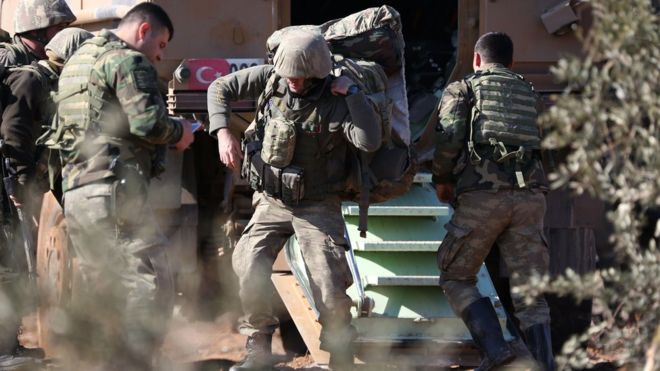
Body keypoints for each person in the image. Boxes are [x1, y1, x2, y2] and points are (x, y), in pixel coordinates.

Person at [208, 28, 381, 370]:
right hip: (272, 201)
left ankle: (340, 354)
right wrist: (223, 132)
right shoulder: (273, 79)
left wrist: (354, 95)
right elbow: (219, 88)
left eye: (301, 78)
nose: (294, 83)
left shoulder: (337, 99)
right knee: (247, 263)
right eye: (289, 75)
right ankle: (258, 347)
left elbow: (369, 140)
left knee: (329, 282)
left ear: (317, 72)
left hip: (317, 205)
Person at [43, 3, 194, 369]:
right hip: (114, 190)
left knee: (103, 289)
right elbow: (149, 125)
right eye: (161, 44)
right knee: (148, 282)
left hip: (78, 192)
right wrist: (181, 132)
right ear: (143, 31)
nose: (160, 55)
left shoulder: (78, 62)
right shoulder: (128, 61)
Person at [433, 32, 555, 370]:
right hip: (531, 200)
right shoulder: (531, 93)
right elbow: (549, 147)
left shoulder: (464, 88)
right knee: (531, 295)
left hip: (483, 199)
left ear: (476, 59)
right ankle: (543, 365)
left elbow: (449, 137)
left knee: (456, 276)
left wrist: (441, 180)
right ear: (511, 62)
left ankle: (496, 350)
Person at [0, 27, 92, 370]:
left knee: (15, 264)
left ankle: (10, 343)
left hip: (15, 183)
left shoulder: (47, 80)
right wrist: (21, 187)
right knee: (8, 265)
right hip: (9, 184)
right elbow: (15, 135)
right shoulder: (30, 79)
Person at [0, 0, 76, 67]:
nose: (64, 33)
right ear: (36, 31)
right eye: (60, 28)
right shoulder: (7, 58)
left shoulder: (57, 57)